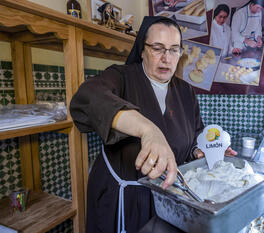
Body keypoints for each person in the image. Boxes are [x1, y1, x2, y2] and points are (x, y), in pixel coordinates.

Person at [70, 16, 236, 233]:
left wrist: (200, 150)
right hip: (127, 200)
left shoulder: (185, 91)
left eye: (174, 49)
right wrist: (148, 130)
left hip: (169, 201)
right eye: (158, 48)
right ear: (142, 50)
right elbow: (87, 97)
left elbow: (194, 133)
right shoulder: (121, 77)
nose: (166, 58)